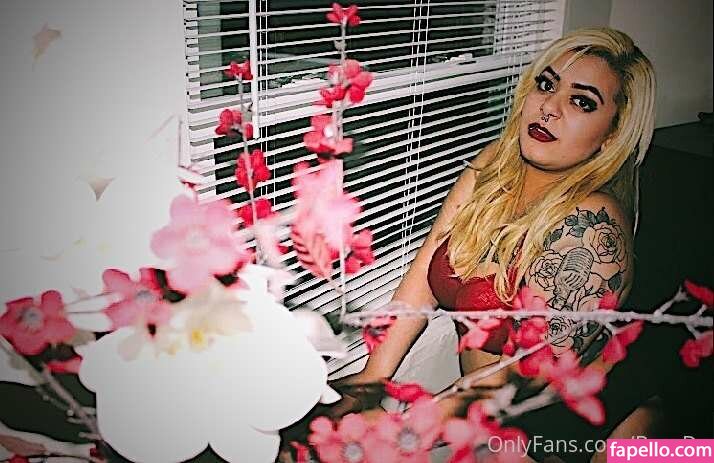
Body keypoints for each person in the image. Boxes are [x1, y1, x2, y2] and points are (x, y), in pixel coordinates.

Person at [281, 26, 656, 460]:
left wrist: (397, 429)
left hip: (582, 434)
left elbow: (520, 377)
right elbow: (424, 276)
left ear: (611, 135)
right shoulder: (496, 164)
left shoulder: (592, 228)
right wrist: (371, 379)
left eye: (581, 102)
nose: (549, 107)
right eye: (546, 85)